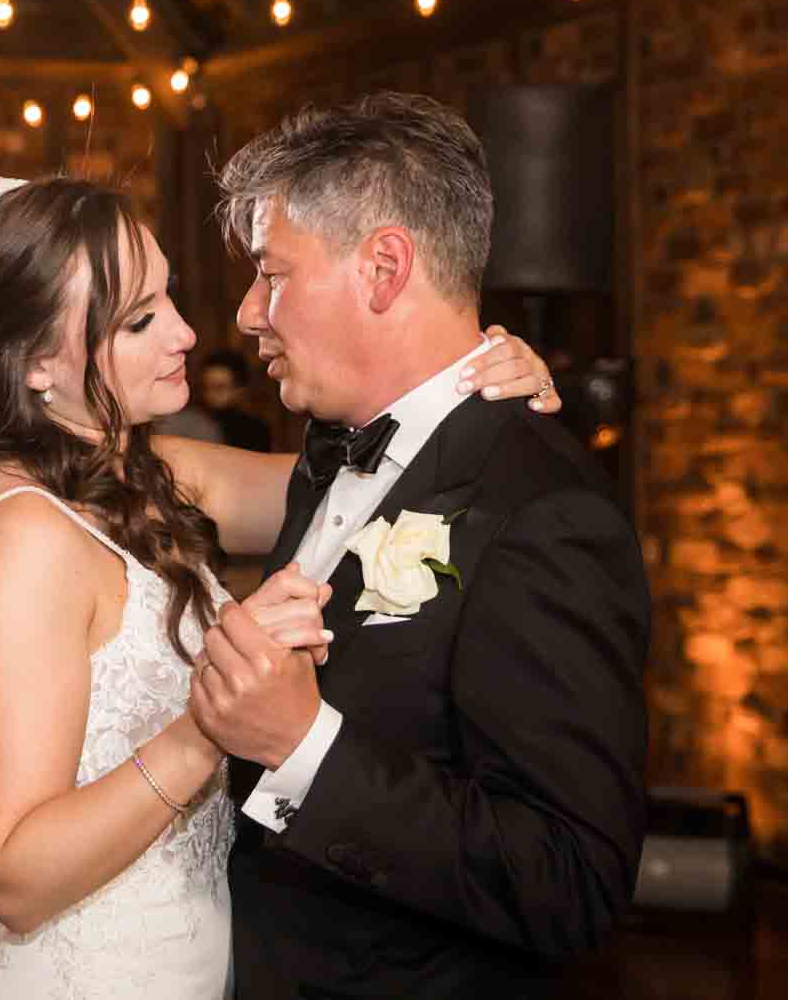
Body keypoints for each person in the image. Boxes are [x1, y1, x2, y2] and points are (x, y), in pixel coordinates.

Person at [0, 176, 560, 999]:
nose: (187, 332)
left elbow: (378, 488)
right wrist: (209, 726)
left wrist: (469, 384)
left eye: (169, 296)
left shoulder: (151, 473)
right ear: (40, 361)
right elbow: (12, 873)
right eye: (141, 320)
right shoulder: (20, 541)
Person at [202, 93, 650, 998]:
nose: (249, 313)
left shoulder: (543, 515)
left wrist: (303, 745)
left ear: (383, 268)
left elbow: (570, 880)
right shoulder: (331, 453)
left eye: (273, 274)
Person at [196, 350, 271, 453]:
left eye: (219, 387)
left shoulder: (255, 431)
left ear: (239, 390)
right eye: (205, 387)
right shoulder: (192, 422)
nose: (210, 394)